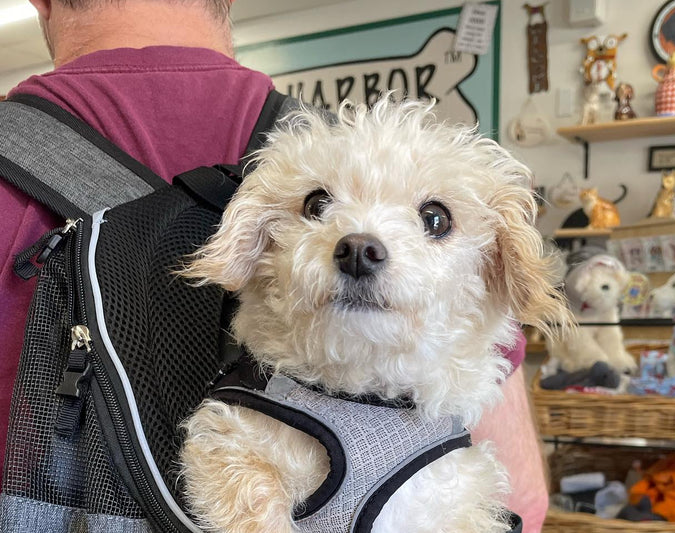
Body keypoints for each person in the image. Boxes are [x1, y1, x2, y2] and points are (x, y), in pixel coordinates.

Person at [0, 0, 548, 530]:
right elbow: (522, 498)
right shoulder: (309, 147)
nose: (360, 245)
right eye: (317, 208)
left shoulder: (315, 159)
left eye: (432, 219)